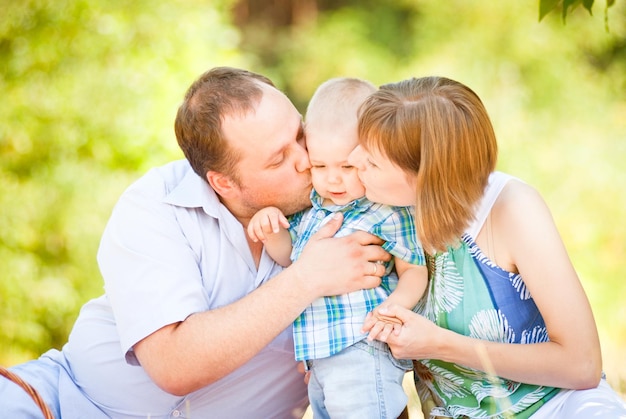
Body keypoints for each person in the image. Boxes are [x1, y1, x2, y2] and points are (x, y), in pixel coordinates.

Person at [0, 67, 393, 418]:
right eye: (277, 160)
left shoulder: (357, 213)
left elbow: (378, 375)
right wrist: (307, 278)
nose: (305, 160)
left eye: (299, 135)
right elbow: (174, 365)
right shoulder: (158, 203)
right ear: (223, 182)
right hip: (66, 403)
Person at [349, 75, 626, 418]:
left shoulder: (511, 209)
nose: (353, 160)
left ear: (427, 175)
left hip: (555, 406)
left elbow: (581, 364)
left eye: (372, 162)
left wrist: (439, 345)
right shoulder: (377, 212)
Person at [247, 77, 428, 419]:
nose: (333, 179)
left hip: (362, 346)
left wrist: (393, 308)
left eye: (347, 166)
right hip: (320, 357)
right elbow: (289, 257)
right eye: (320, 166)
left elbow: (414, 269)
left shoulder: (385, 210)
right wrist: (271, 228)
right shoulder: (313, 211)